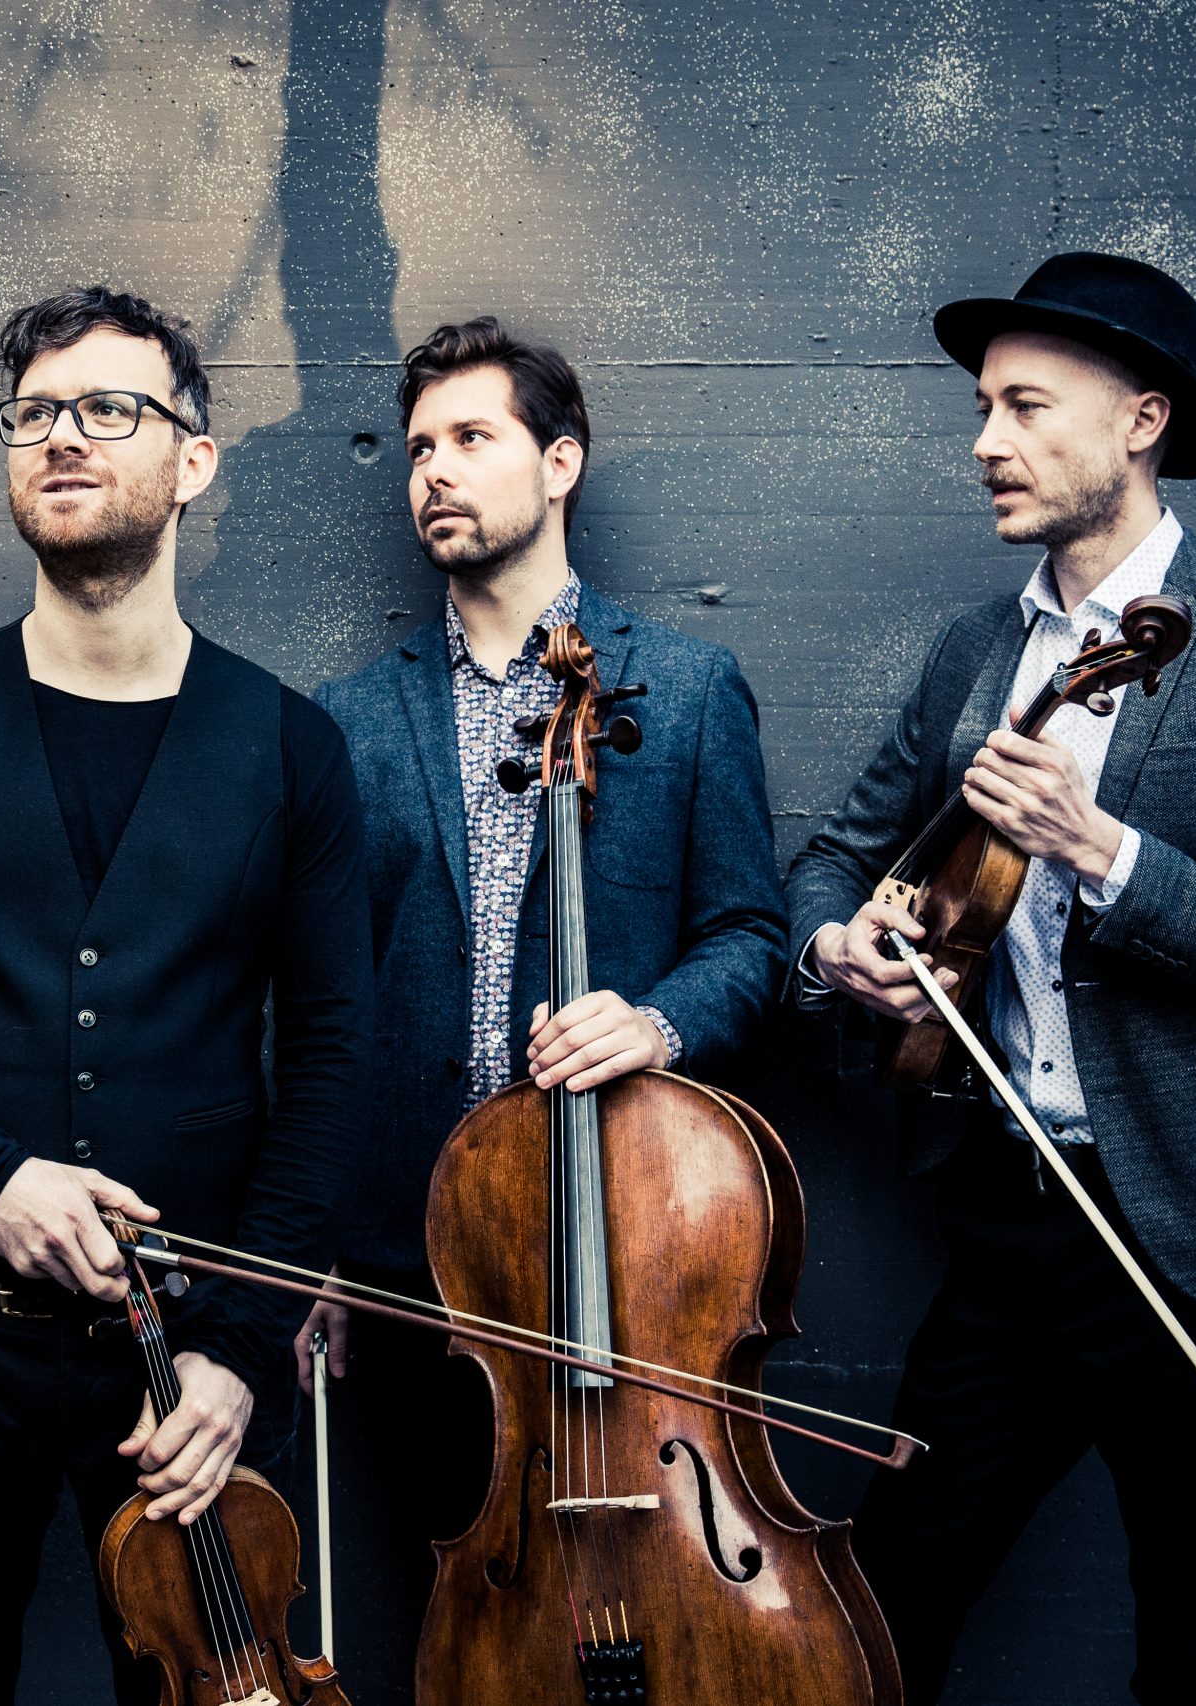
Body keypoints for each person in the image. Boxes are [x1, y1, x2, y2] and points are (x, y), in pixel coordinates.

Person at [0, 285, 373, 1706]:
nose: (63, 437)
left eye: (108, 408)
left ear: (193, 460)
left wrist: (239, 1353)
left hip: (186, 1356)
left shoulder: (294, 748)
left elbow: (333, 1058)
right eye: (34, 413)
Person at [787, 252, 1196, 1704]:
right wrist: (836, 948)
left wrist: (1105, 850)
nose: (986, 441)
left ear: (1140, 420)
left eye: (1026, 407)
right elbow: (834, 857)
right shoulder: (975, 653)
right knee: (882, 1612)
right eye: (983, 409)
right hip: (1014, 1211)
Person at [298, 316, 790, 1696]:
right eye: (418, 450)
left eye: (472, 438)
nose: (434, 473)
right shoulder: (347, 718)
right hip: (417, 1260)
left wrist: (657, 1022)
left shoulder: (683, 688)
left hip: (633, 1250)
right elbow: (323, 1005)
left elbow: (750, 935)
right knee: (469, 1617)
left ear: (560, 461)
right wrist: (320, 1245)